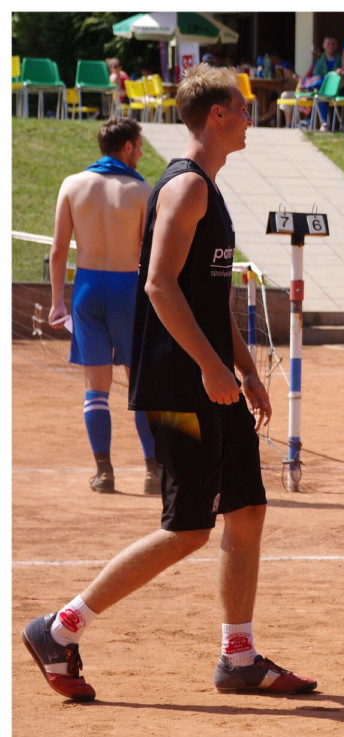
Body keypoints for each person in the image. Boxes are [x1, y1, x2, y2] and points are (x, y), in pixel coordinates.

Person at [21, 63, 317, 702]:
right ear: (217, 115)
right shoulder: (185, 189)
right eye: (242, 107)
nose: (250, 116)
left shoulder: (208, 188)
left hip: (211, 380)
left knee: (247, 509)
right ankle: (60, 628)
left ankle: (239, 657)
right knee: (188, 528)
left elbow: (206, 298)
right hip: (180, 385)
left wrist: (243, 368)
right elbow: (158, 285)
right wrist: (211, 368)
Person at [48, 117, 159, 496]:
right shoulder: (142, 191)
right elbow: (152, 254)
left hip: (87, 290)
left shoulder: (72, 185)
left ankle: (104, 473)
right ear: (126, 147)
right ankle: (153, 472)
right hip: (128, 290)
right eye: (139, 147)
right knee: (141, 386)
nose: (140, 153)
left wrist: (56, 302)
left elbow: (58, 250)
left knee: (96, 390)